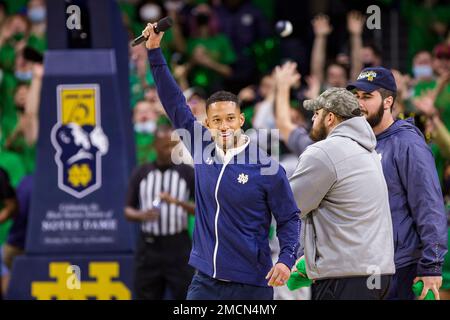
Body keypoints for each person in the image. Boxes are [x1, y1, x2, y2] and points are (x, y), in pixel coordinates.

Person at [142, 22, 300, 300]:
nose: (224, 126)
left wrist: (286, 259)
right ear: (208, 123)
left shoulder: (267, 166)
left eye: (230, 119)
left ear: (241, 120)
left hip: (252, 282)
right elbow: (175, 103)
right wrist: (154, 52)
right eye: (216, 120)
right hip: (206, 281)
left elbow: (289, 218)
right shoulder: (202, 147)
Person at [347, 67, 448, 300]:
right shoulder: (357, 143)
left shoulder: (408, 143)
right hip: (362, 265)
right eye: (357, 97)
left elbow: (429, 205)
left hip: (400, 267)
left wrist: (432, 265)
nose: (359, 104)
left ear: (387, 101)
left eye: (367, 97)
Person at [289, 87, 395, 300]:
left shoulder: (325, 152)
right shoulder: (369, 151)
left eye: (316, 114)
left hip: (346, 276)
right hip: (377, 273)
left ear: (330, 118)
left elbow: (289, 206)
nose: (312, 118)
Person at [125, 122, 195, 300]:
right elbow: (127, 210)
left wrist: (179, 203)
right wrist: (142, 215)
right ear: (155, 146)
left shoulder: (187, 173)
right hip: (149, 246)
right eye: (165, 146)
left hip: (178, 244)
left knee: (185, 294)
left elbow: (202, 209)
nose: (170, 150)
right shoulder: (141, 172)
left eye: (173, 146)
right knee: (146, 293)